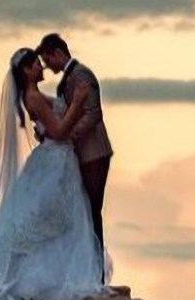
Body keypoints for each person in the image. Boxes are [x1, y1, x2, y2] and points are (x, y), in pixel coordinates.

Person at [0, 48, 107, 300]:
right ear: (26, 70)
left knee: (60, 218)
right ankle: (44, 281)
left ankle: (50, 276)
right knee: (51, 216)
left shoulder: (31, 96)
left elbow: (48, 128)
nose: (41, 66)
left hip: (56, 159)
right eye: (36, 63)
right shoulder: (33, 96)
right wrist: (77, 103)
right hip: (56, 159)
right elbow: (59, 132)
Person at [37, 33, 113, 278]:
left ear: (58, 53)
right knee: (84, 212)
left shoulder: (80, 75)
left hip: (93, 153)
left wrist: (68, 136)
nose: (47, 67)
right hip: (84, 153)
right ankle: (89, 271)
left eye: (48, 60)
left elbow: (93, 114)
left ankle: (96, 273)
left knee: (91, 211)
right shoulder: (70, 77)